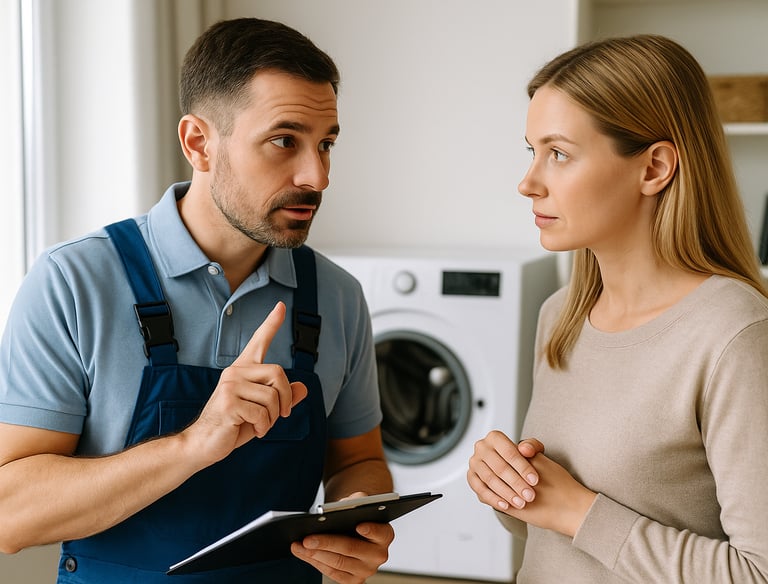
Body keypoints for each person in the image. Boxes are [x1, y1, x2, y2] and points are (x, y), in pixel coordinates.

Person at [0, 17, 394, 584]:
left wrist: (360, 524)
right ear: (198, 142)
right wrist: (192, 445)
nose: (317, 176)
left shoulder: (337, 297)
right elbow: (11, 516)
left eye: (326, 143)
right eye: (285, 141)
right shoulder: (73, 282)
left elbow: (359, 462)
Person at [467, 34, 768, 583]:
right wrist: (510, 489)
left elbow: (757, 573)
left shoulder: (735, 334)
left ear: (654, 168)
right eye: (530, 152)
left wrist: (576, 510)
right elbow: (560, 541)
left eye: (558, 153)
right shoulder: (560, 318)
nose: (527, 183)